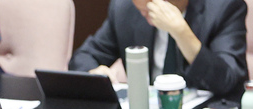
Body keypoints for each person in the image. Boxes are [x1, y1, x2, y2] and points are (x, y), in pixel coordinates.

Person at [69, 0, 248, 97]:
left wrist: (182, 33)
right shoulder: (125, 7)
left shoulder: (225, 6)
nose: (142, 9)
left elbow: (229, 79)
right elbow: (84, 57)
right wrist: (95, 73)